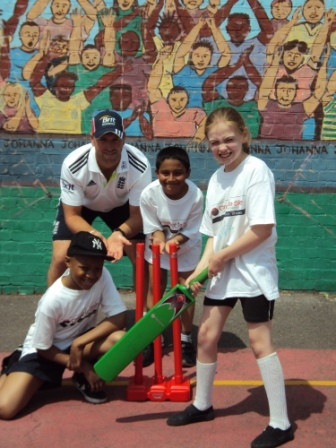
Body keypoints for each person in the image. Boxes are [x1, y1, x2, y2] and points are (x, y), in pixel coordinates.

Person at [167, 107, 294, 448]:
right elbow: (212, 237)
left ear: (244, 137)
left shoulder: (256, 171)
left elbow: (263, 229)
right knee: (206, 336)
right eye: (215, 143)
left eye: (229, 140)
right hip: (222, 273)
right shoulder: (218, 180)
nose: (222, 147)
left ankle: (281, 423)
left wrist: (222, 256)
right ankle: (202, 404)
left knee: (259, 342)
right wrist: (197, 272)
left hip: (253, 271)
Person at [0, 231, 127, 420]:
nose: (91, 275)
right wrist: (82, 366)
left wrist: (79, 343)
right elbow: (43, 347)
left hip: (77, 345)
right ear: (68, 262)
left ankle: (81, 380)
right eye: (84, 268)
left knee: (122, 340)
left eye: (97, 268)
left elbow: (119, 317)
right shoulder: (52, 300)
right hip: (46, 352)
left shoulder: (103, 276)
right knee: (5, 409)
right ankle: (14, 367)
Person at [47, 109, 152, 286]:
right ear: (92, 139)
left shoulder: (139, 165)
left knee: (141, 256)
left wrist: (119, 234)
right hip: (83, 207)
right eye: (103, 139)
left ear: (124, 139)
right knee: (60, 257)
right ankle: (48, 311)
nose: (110, 146)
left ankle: (144, 312)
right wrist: (98, 237)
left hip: (121, 205)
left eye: (115, 140)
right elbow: (72, 215)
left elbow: (138, 216)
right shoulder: (73, 164)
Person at [140, 146, 203, 367]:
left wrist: (173, 242)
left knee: (183, 292)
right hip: (158, 247)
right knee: (155, 288)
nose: (171, 178)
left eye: (177, 173)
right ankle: (152, 336)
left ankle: (185, 339)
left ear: (187, 172)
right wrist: (159, 239)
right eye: (165, 173)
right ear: (157, 173)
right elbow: (153, 227)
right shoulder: (148, 194)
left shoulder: (195, 196)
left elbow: (191, 230)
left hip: (185, 248)